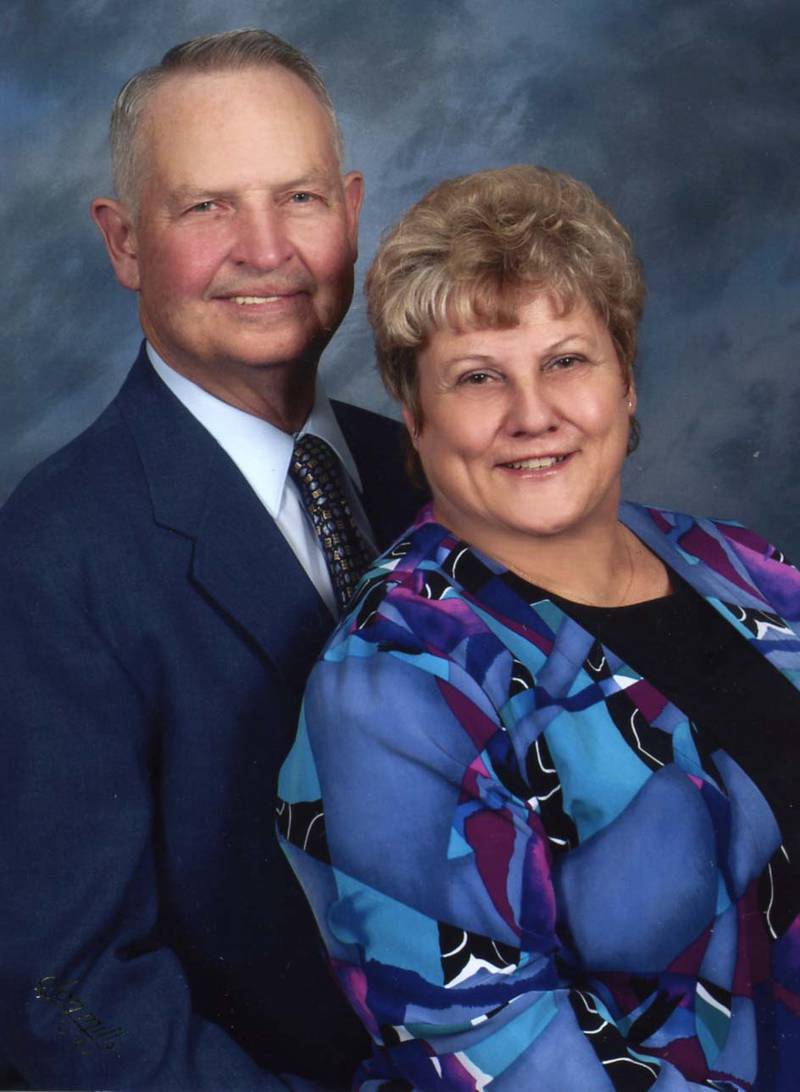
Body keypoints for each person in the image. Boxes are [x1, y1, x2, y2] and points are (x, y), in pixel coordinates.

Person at [278, 165, 800, 1088]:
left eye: (566, 360)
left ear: (625, 381)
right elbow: (490, 1047)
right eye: (479, 377)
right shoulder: (391, 681)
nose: (533, 415)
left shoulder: (733, 560)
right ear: (415, 416)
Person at [0, 29, 420, 1092]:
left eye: (300, 198)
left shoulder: (431, 475)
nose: (265, 249)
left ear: (352, 213)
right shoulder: (50, 559)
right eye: (206, 207)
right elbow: (69, 988)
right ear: (123, 242)